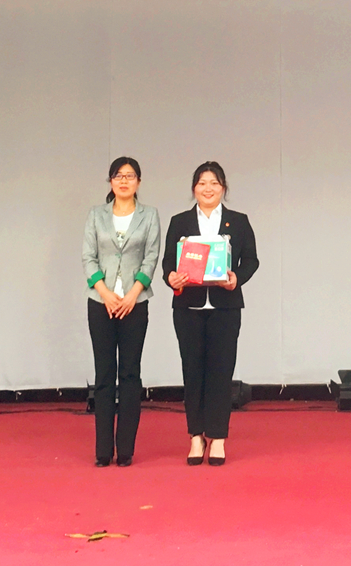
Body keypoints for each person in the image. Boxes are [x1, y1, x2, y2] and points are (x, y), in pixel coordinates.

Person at [162, 161, 259, 466]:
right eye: (202, 183)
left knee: (221, 372)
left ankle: (217, 437)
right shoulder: (179, 222)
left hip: (225, 308)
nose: (208, 188)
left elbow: (251, 260)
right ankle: (195, 436)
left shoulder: (238, 221)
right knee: (192, 373)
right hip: (188, 309)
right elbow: (168, 263)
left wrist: (236, 278)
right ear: (194, 188)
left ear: (223, 188)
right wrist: (171, 278)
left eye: (214, 183)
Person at [82, 156, 161, 468]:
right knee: (104, 375)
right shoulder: (96, 215)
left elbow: (151, 257)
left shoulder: (149, 215)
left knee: (129, 374)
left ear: (139, 182)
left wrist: (131, 295)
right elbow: (88, 257)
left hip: (134, 304)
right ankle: (103, 450)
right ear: (110, 181)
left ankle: (125, 449)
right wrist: (105, 293)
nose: (124, 181)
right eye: (118, 176)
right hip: (100, 303)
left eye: (130, 176)